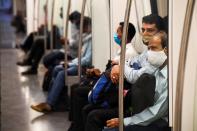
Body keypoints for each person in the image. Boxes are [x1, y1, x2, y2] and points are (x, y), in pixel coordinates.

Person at [85, 31, 168, 131]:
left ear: (166, 50)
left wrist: (125, 121)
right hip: (140, 110)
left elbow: (156, 113)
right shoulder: (154, 66)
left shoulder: (167, 77)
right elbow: (131, 62)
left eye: (154, 48)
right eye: (149, 48)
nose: (150, 53)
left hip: (157, 121)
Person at [67, 22, 138, 131]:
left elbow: (120, 78)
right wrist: (99, 74)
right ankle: (75, 125)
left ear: (123, 34)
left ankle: (76, 126)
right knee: (79, 93)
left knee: (80, 95)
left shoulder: (129, 53)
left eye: (118, 32)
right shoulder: (121, 51)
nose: (116, 34)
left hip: (114, 93)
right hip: (110, 88)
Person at [30, 16, 92, 112]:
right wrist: (71, 62)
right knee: (56, 68)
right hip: (77, 62)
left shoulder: (90, 40)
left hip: (84, 67)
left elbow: (87, 60)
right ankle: (56, 101)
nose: (81, 29)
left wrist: (71, 63)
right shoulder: (86, 39)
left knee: (62, 73)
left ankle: (50, 104)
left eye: (82, 27)